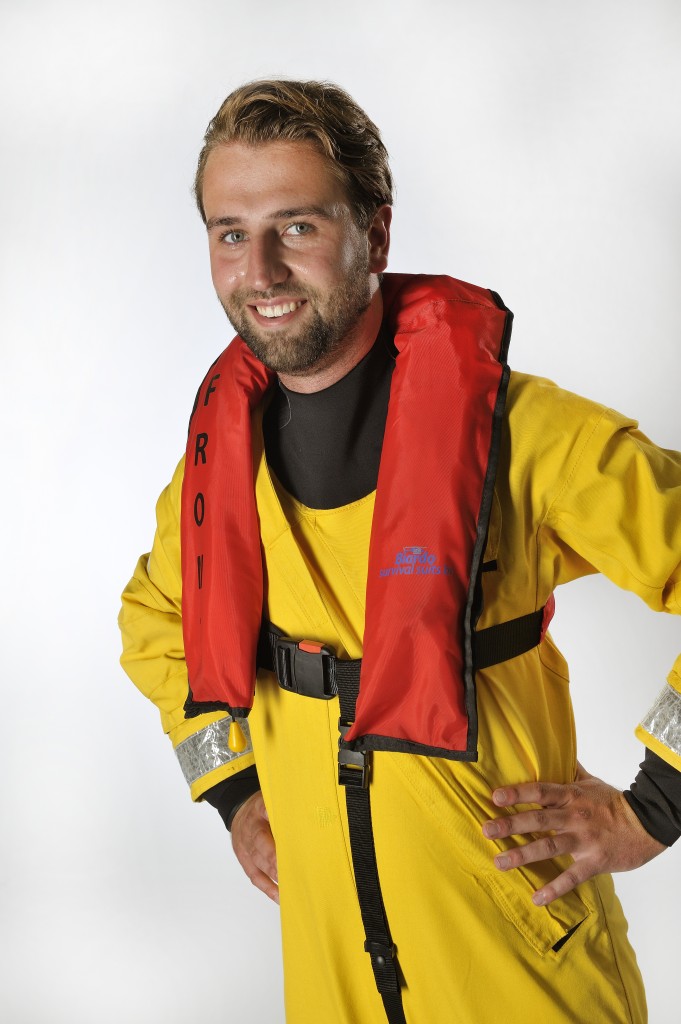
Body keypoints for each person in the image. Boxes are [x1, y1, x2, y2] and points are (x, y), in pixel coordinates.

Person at [119, 80, 681, 1024]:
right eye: (230, 233)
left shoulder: (522, 437)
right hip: (331, 980)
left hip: (517, 971)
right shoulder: (218, 474)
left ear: (374, 235)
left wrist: (653, 807)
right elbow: (154, 624)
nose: (260, 269)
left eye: (296, 226)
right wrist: (233, 791)